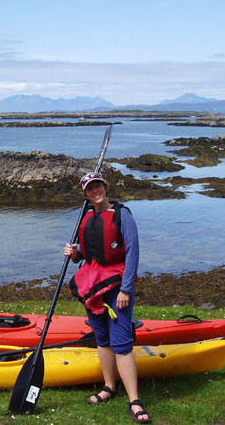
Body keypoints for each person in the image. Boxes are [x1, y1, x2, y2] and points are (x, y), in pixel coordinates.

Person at [64, 171, 151, 424]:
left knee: (121, 341)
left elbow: (133, 253)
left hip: (116, 286)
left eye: (98, 186)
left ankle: (134, 401)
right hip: (92, 285)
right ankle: (109, 387)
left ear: (105, 187)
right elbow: (90, 250)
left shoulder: (123, 214)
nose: (95, 191)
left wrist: (126, 289)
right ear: (86, 194)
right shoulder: (87, 216)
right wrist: (75, 252)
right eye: (90, 189)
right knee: (102, 339)